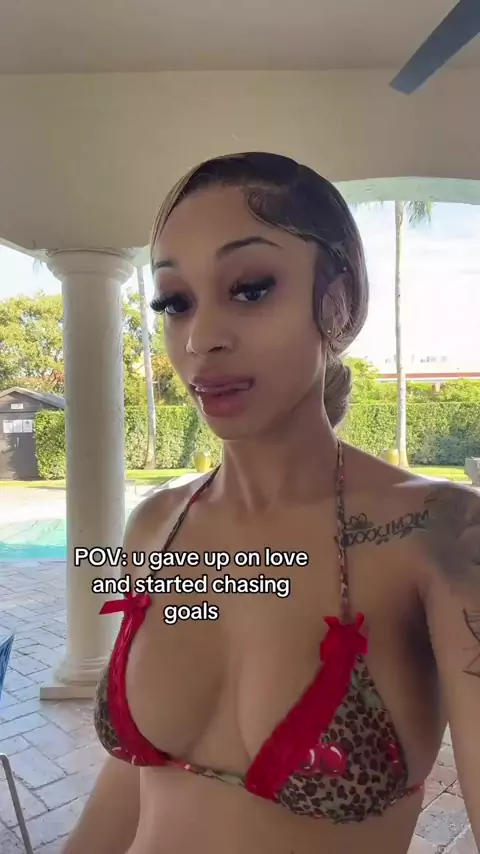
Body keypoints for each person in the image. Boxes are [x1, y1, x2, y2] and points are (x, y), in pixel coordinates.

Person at [62, 152, 480, 854]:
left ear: (337, 301)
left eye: (250, 289)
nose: (201, 340)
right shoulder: (158, 527)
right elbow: (136, 779)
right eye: (175, 302)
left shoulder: (440, 536)